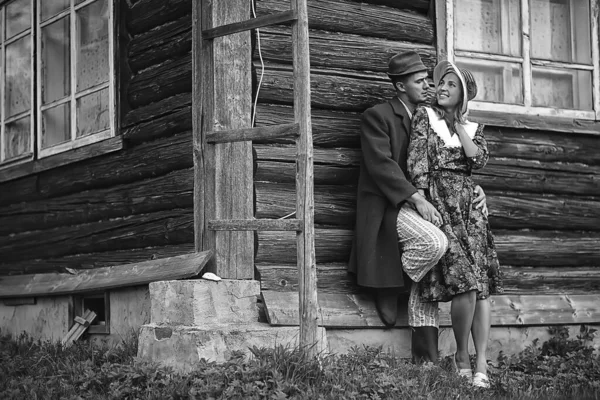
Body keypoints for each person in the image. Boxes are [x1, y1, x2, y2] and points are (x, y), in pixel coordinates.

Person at [348, 52, 488, 364]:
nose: (428, 85)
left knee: (438, 258)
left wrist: (474, 188)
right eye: (419, 80)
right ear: (400, 86)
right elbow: (381, 166)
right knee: (435, 243)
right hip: (389, 208)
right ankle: (389, 283)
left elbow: (453, 164)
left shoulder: (432, 116)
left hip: (427, 204)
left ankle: (426, 359)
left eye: (429, 79)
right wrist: (417, 198)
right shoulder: (379, 115)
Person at [407, 60, 503, 387]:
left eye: (451, 84)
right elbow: (417, 162)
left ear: (463, 94)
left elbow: (479, 159)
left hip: (470, 210)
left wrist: (460, 124)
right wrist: (422, 200)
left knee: (482, 287)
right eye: (441, 83)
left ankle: (482, 364)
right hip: (440, 203)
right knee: (466, 281)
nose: (443, 88)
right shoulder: (425, 116)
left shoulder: (474, 129)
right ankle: (461, 354)